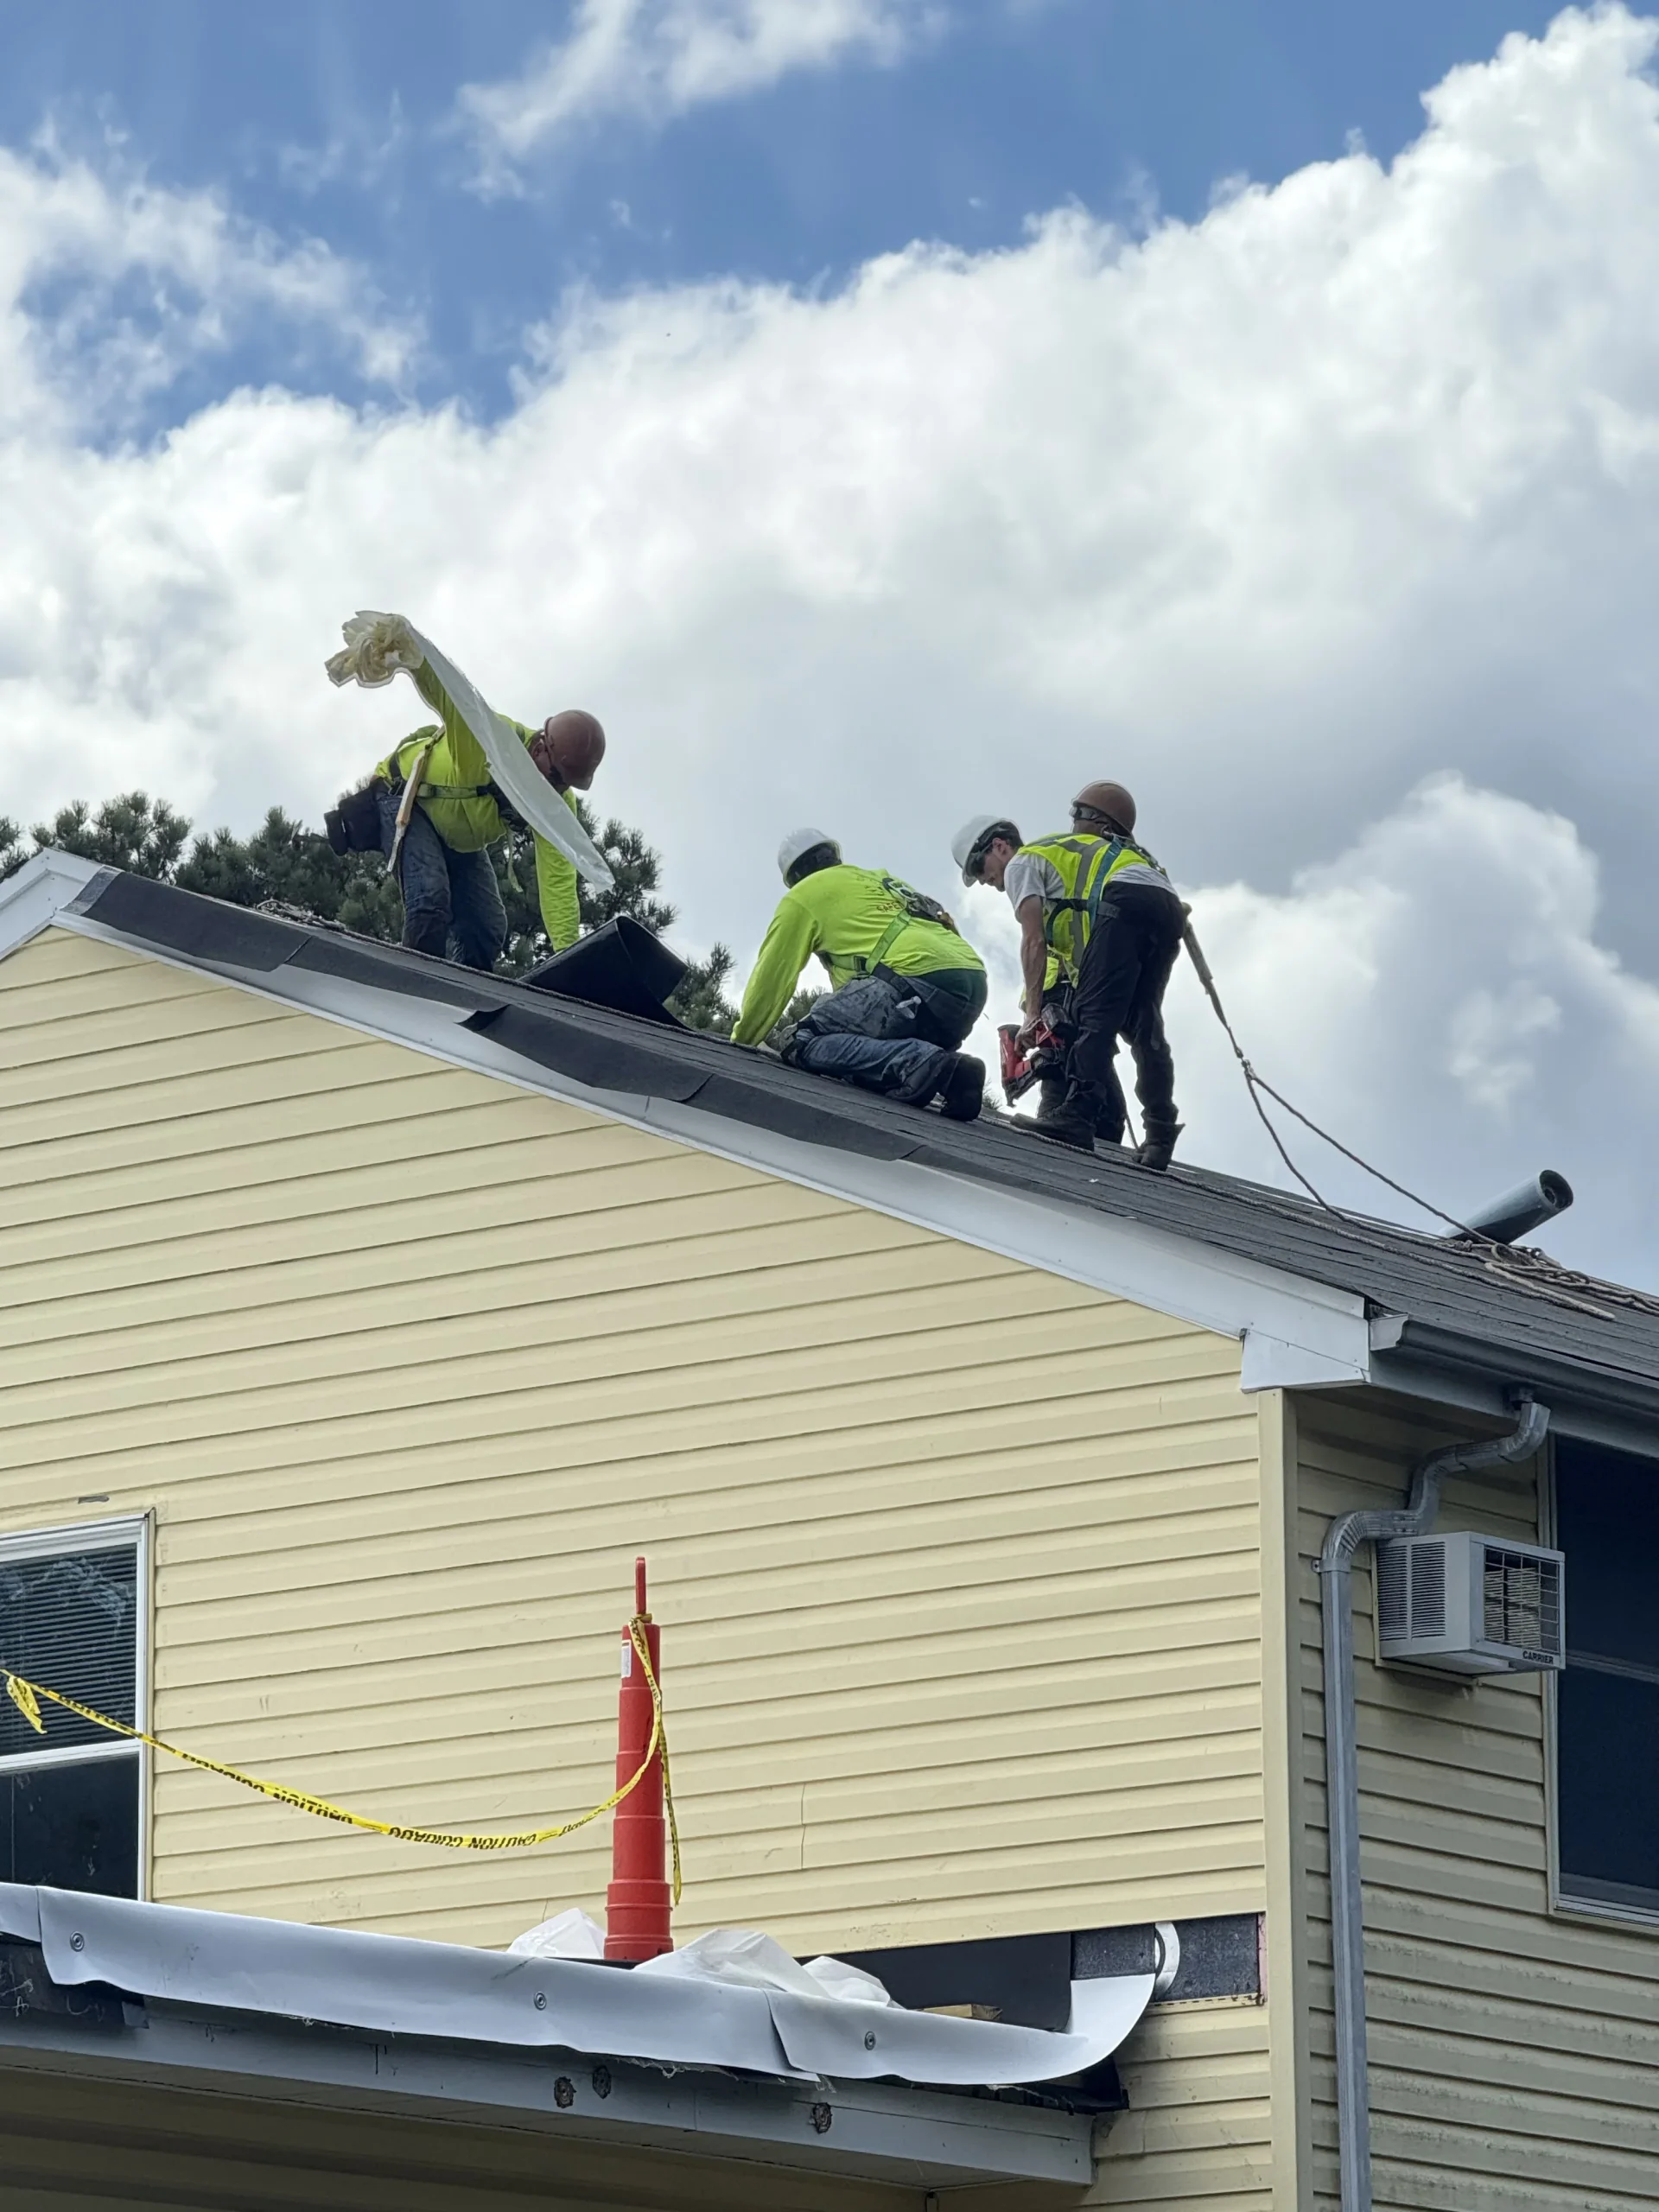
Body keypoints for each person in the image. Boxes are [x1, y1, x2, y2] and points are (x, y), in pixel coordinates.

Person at [951, 783, 1185, 1167]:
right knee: (1145, 1028)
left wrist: (1032, 1014)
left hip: (1125, 898)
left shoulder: (1024, 863)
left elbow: (1033, 941)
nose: (983, 880)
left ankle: (1077, 1116)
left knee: (1094, 1018)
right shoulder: (1069, 867)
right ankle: (1160, 1135)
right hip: (1165, 903)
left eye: (980, 868)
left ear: (999, 846)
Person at [734, 829, 988, 1120]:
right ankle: (952, 1077)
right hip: (970, 986)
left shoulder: (804, 896)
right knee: (862, 1059)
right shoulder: (880, 879)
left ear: (795, 877)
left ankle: (920, 1062)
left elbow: (772, 977)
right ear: (834, 855)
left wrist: (742, 1041)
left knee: (801, 1040)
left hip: (913, 979)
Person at [373, 664, 607, 971]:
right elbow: (450, 696)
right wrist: (410, 653)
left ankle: (460, 997)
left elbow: (558, 882)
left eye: (566, 783)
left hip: (455, 837)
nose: (556, 789)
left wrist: (571, 961)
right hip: (405, 799)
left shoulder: (556, 804)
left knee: (486, 927)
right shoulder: (493, 740)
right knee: (430, 900)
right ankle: (410, 988)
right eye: (555, 777)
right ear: (539, 748)